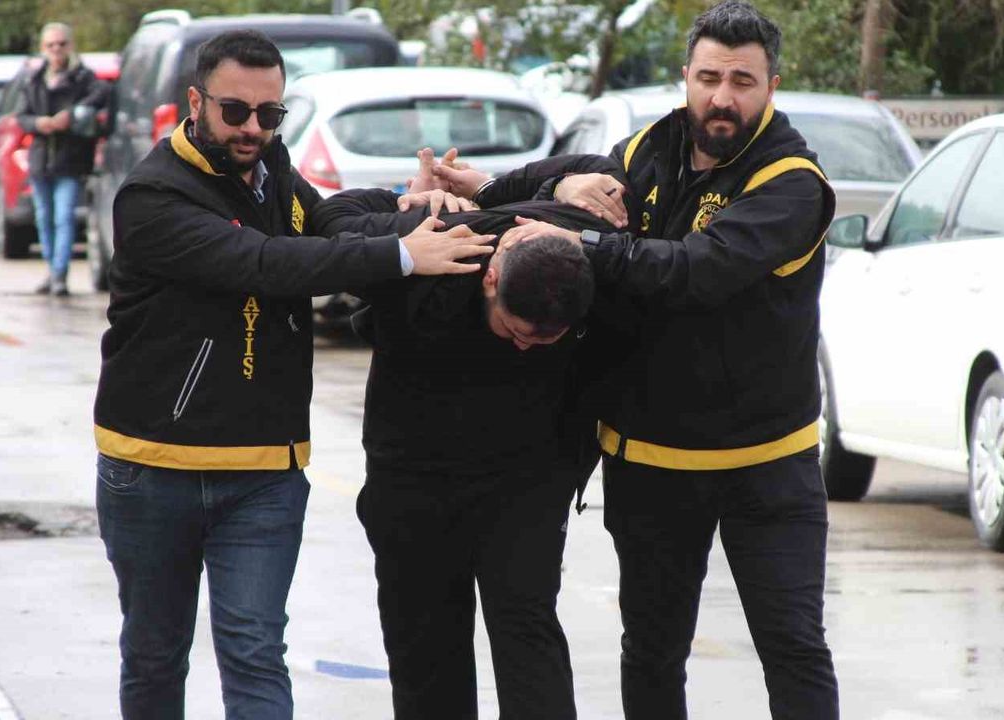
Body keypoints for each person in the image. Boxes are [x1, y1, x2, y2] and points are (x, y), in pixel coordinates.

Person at [435, 2, 840, 717]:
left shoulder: (792, 183)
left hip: (766, 465)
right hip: (650, 460)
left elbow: (696, 272)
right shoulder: (651, 148)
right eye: (709, 77)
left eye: (742, 81)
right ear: (686, 77)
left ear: (772, 86)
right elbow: (573, 187)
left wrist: (586, 246)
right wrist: (519, 190)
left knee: (793, 646)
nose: (722, 96)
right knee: (651, 651)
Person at [92, 30, 494, 720]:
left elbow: (325, 222)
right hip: (153, 467)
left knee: (254, 651)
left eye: (270, 114)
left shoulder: (270, 166)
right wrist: (402, 255)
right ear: (195, 102)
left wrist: (404, 210)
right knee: (156, 653)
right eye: (236, 112)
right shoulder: (151, 197)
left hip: (264, 470)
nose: (253, 128)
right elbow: (265, 262)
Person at [310, 157, 620, 719]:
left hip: (526, 485)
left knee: (528, 635)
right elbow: (329, 216)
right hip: (414, 483)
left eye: (545, 342)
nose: (526, 348)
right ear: (491, 279)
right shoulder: (436, 246)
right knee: (425, 647)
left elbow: (605, 178)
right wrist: (410, 205)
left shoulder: (564, 242)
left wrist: (533, 187)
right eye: (516, 332)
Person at [14, 22, 108, 296]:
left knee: (64, 217)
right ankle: (51, 268)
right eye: (51, 44)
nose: (56, 49)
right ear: (43, 48)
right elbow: (21, 116)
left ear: (70, 45)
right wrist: (38, 123)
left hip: (70, 158)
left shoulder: (83, 77)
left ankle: (59, 274)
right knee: (44, 217)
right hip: (41, 158)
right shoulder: (33, 79)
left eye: (61, 44)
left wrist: (73, 114)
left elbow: (102, 95)